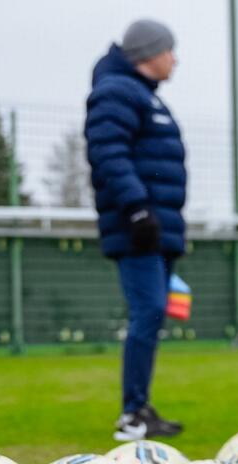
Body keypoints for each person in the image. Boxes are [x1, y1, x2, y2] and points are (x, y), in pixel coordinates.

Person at [85, 19, 186, 440]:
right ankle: (131, 415)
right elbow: (108, 152)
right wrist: (138, 210)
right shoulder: (117, 92)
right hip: (138, 225)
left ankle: (140, 406)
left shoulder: (142, 96)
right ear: (149, 53)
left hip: (155, 225)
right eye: (170, 51)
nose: (175, 59)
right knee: (147, 311)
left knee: (154, 311)